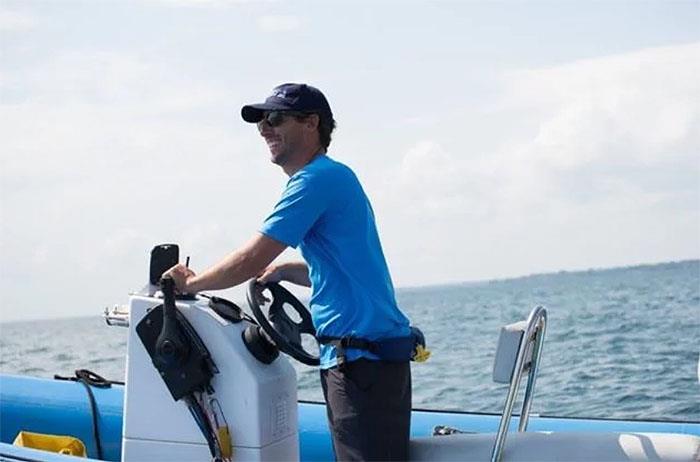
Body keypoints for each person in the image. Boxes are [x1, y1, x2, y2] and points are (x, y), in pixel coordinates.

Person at [164, 83, 413, 461]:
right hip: (368, 363)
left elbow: (251, 258)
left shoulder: (315, 180)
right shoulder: (336, 177)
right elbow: (340, 271)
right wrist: (285, 271)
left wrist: (192, 283)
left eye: (275, 118)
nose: (264, 129)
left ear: (311, 123)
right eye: (261, 121)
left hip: (362, 365)